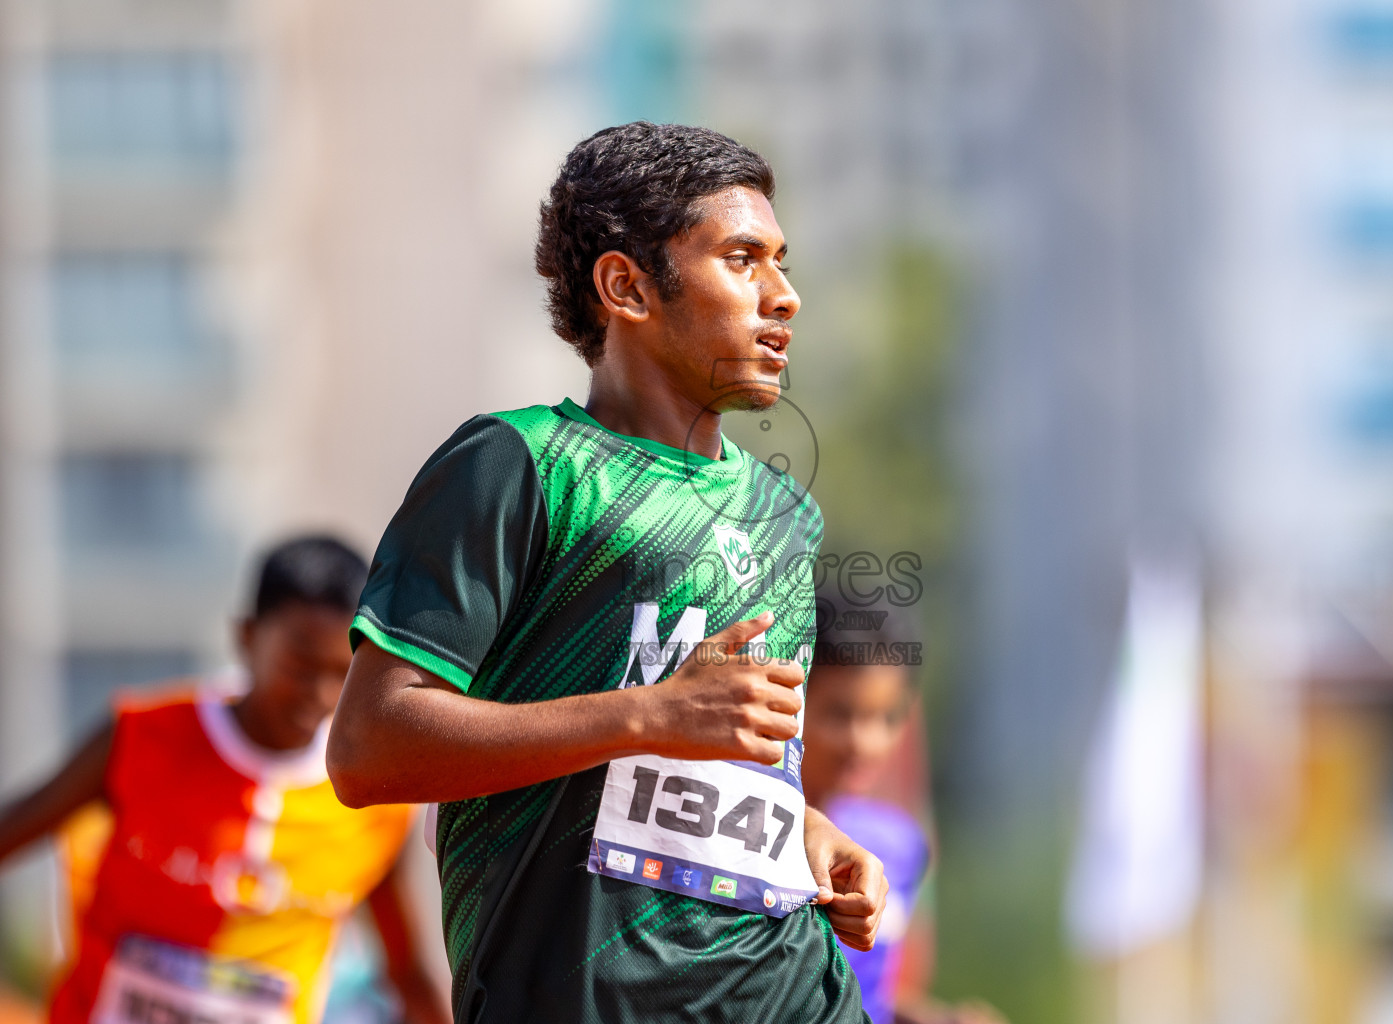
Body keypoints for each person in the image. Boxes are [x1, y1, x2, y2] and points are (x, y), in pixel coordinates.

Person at [326, 122, 887, 1023]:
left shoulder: (787, 516)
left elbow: (735, 769)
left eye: (782, 262)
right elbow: (367, 748)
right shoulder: (518, 464)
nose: (783, 296)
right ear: (626, 285)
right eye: (743, 260)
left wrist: (807, 833)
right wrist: (649, 715)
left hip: (794, 991)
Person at [0, 536, 449, 1024]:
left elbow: (405, 974)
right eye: (300, 665)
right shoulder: (141, 736)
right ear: (247, 636)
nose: (318, 694)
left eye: (342, 673)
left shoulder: (374, 800)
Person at [804, 594, 1009, 1024]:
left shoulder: (897, 845)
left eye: (886, 717)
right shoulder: (744, 826)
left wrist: (940, 1019)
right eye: (839, 714)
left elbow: (871, 999)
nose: (864, 741)